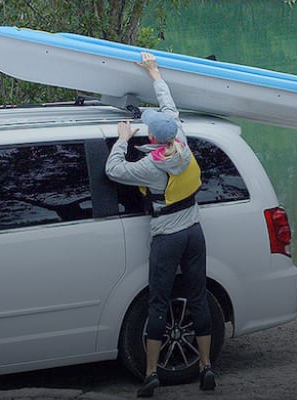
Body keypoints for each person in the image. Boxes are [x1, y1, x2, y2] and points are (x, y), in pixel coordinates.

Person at [105, 52, 216, 396]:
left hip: (167, 237)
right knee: (197, 297)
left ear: (152, 138)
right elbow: (169, 108)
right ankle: (206, 366)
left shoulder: (150, 167)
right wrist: (154, 72)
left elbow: (113, 170)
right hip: (194, 232)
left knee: (159, 301)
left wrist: (123, 139)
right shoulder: (180, 141)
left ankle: (152, 372)